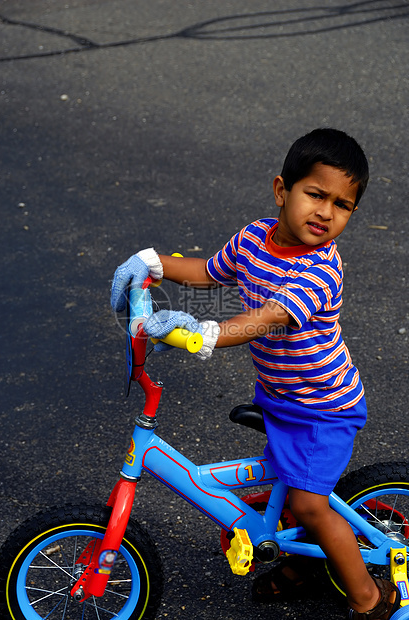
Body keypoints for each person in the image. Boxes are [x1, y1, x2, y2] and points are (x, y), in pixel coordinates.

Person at [110, 128, 400, 620]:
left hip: (322, 408)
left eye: (343, 205)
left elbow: (266, 317)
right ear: (281, 190)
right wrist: (155, 264)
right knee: (289, 496)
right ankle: (305, 564)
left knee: (309, 505)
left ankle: (371, 598)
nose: (326, 213)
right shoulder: (252, 239)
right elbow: (209, 272)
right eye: (315, 194)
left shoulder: (321, 270)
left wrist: (206, 333)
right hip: (281, 395)